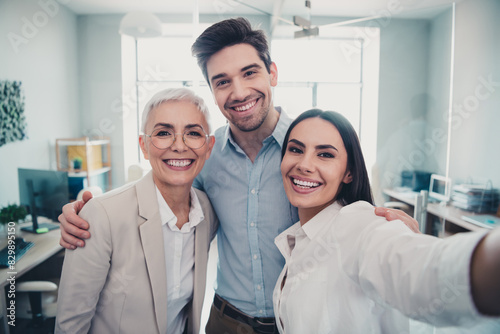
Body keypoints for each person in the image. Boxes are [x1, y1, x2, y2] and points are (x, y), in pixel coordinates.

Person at [57, 18, 419, 334]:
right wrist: (91, 209)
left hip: (299, 318)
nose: (240, 91)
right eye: (223, 81)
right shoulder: (205, 156)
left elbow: (354, 208)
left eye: (249, 72)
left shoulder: (309, 148)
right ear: (213, 91)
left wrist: (391, 229)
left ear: (272, 72)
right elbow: (163, 195)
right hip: (226, 321)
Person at [274, 108, 500, 333]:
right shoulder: (300, 237)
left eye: (325, 154)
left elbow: (425, 274)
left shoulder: (357, 224)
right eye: (296, 149)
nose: (304, 164)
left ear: (349, 173)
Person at [55, 88, 218, 334]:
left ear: (208, 146)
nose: (179, 146)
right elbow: (70, 325)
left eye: (193, 133)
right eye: (163, 133)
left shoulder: (207, 211)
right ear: (144, 145)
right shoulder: (100, 216)